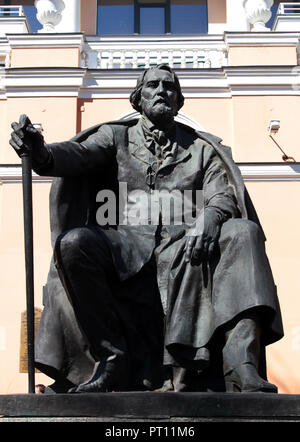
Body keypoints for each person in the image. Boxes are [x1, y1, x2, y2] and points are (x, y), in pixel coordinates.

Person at [10, 65, 283, 393]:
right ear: (138, 99)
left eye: (169, 86)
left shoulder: (202, 150)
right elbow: (80, 155)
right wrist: (42, 153)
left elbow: (222, 194)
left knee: (243, 232)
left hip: (185, 246)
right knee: (74, 244)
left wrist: (210, 218)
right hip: (126, 243)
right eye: (152, 85)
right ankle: (110, 358)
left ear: (179, 101)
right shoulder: (116, 137)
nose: (161, 91)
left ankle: (241, 365)